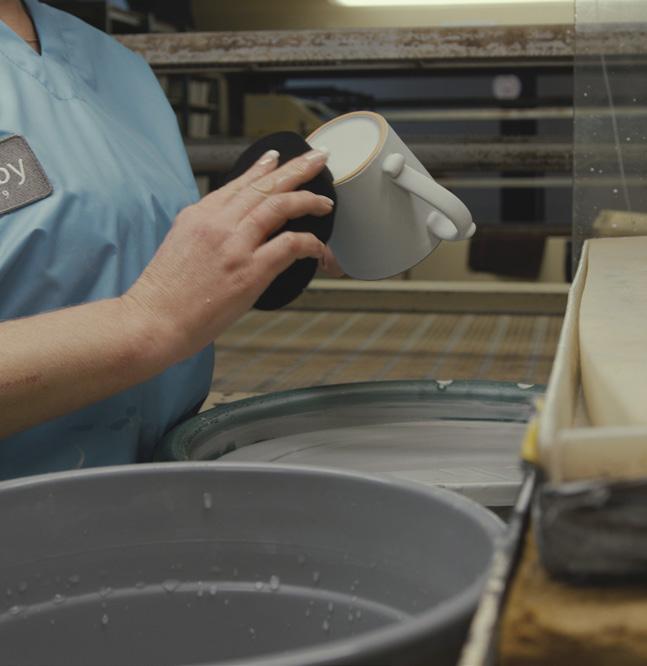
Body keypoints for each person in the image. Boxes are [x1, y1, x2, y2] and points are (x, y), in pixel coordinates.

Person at [0, 0, 340, 479]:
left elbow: (129, 259)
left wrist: (261, 243)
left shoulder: (117, 66)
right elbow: (158, 312)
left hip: (154, 486)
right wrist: (145, 321)